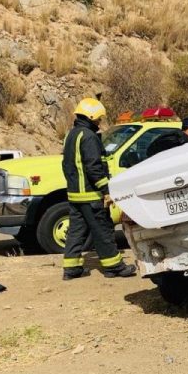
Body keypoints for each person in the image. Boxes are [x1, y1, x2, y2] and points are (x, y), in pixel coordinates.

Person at [62, 97, 136, 280]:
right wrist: (106, 191)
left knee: (76, 231)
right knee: (102, 230)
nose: (99, 121)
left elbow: (67, 165)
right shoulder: (88, 137)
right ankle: (114, 267)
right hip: (91, 195)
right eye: (98, 118)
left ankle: (71, 268)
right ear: (91, 116)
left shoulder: (72, 135)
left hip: (76, 195)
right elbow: (94, 167)